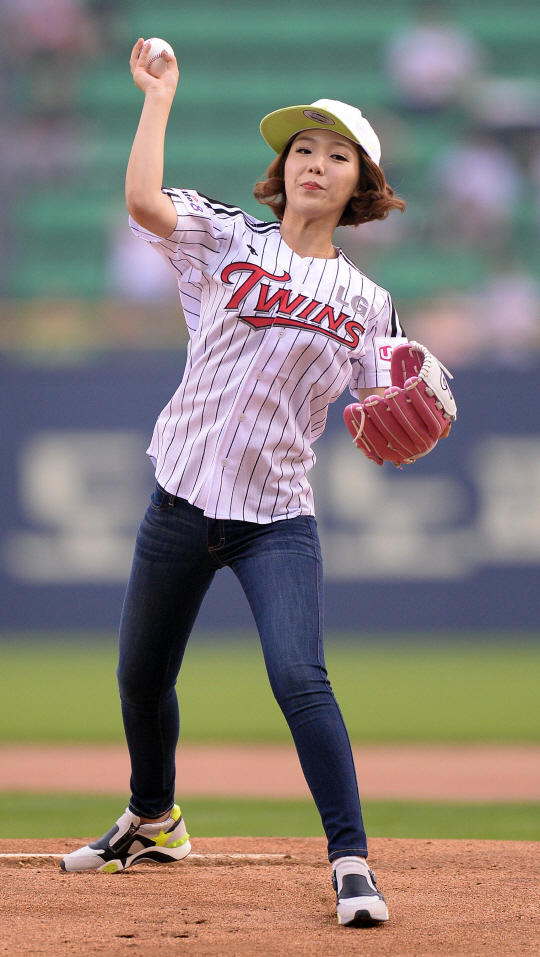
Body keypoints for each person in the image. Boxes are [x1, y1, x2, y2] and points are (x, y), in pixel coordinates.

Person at [61, 38, 409, 928]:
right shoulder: (226, 239)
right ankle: (153, 818)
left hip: (275, 519)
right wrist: (158, 99)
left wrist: (410, 420)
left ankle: (352, 863)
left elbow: (394, 408)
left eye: (336, 155)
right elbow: (143, 202)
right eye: (302, 149)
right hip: (178, 500)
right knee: (141, 677)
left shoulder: (369, 303)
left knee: (300, 676)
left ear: (361, 184)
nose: (314, 163)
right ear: (282, 170)